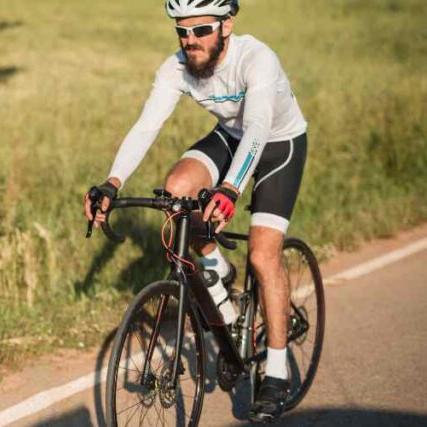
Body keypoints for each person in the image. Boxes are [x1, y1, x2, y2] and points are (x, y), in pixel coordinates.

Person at [82, 0, 308, 422]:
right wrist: (112, 183)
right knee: (177, 191)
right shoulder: (177, 67)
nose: (190, 41)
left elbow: (258, 126)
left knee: (262, 255)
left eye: (201, 30)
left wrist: (229, 189)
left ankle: (275, 373)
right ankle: (218, 277)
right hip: (230, 135)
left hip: (279, 144)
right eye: (182, 32)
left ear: (227, 25)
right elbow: (147, 125)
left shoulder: (257, 59)